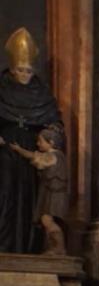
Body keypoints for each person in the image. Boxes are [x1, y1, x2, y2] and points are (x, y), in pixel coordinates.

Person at [0, 28, 64, 254]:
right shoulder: (2, 86)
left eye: (28, 70)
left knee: (30, 201)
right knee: (5, 195)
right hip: (5, 150)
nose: (25, 74)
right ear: (12, 68)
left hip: (32, 152)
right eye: (20, 70)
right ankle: (4, 245)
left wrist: (51, 135)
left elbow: (55, 123)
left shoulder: (41, 92)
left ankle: (27, 247)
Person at [6, 126, 66, 254]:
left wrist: (19, 149)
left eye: (40, 141)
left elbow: (34, 157)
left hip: (54, 194)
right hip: (50, 192)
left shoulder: (54, 156)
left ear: (51, 143)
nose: (37, 144)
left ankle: (58, 247)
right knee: (46, 220)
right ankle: (52, 247)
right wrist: (19, 149)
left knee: (46, 220)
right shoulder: (54, 156)